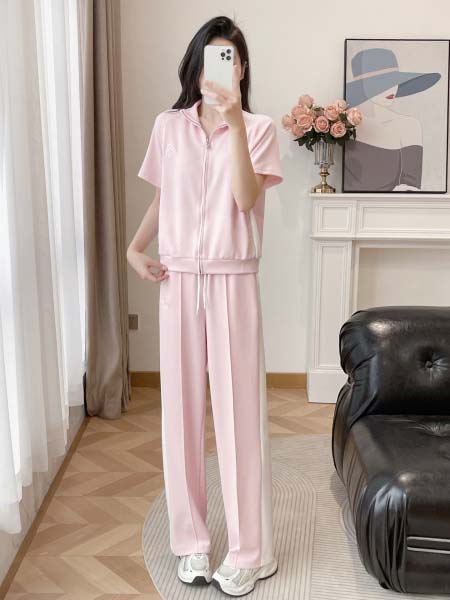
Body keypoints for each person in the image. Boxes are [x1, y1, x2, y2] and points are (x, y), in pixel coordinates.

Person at [127, 15, 283, 597]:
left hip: (233, 280)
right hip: (178, 282)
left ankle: (248, 553)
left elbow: (244, 198)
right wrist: (135, 248)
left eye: (230, 58)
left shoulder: (260, 129)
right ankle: (190, 543)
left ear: (241, 69)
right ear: (195, 68)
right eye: (212, 58)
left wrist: (236, 123)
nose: (220, 68)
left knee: (240, 417)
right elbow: (163, 198)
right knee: (181, 416)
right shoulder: (168, 127)